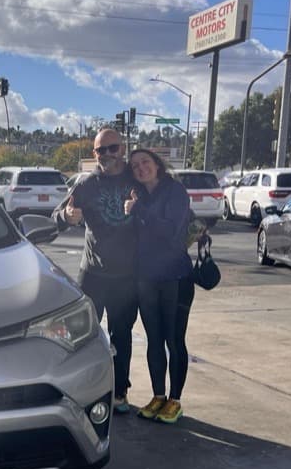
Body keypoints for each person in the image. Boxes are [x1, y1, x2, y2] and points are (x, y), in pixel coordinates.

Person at [53, 129, 140, 413]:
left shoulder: (136, 178)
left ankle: (120, 392)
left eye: (112, 148)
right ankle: (80, 391)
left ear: (123, 149)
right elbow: (57, 216)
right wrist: (66, 216)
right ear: (94, 155)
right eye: (100, 150)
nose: (106, 155)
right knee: (80, 336)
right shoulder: (87, 184)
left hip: (127, 275)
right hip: (92, 273)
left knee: (121, 335)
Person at [124, 149, 194, 424]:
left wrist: (137, 210)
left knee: (174, 340)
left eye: (145, 162)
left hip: (176, 278)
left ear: (157, 164)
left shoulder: (174, 192)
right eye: (135, 166)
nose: (141, 168)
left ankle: (175, 399)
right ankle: (158, 395)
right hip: (146, 278)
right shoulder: (137, 195)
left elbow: (170, 231)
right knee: (154, 340)